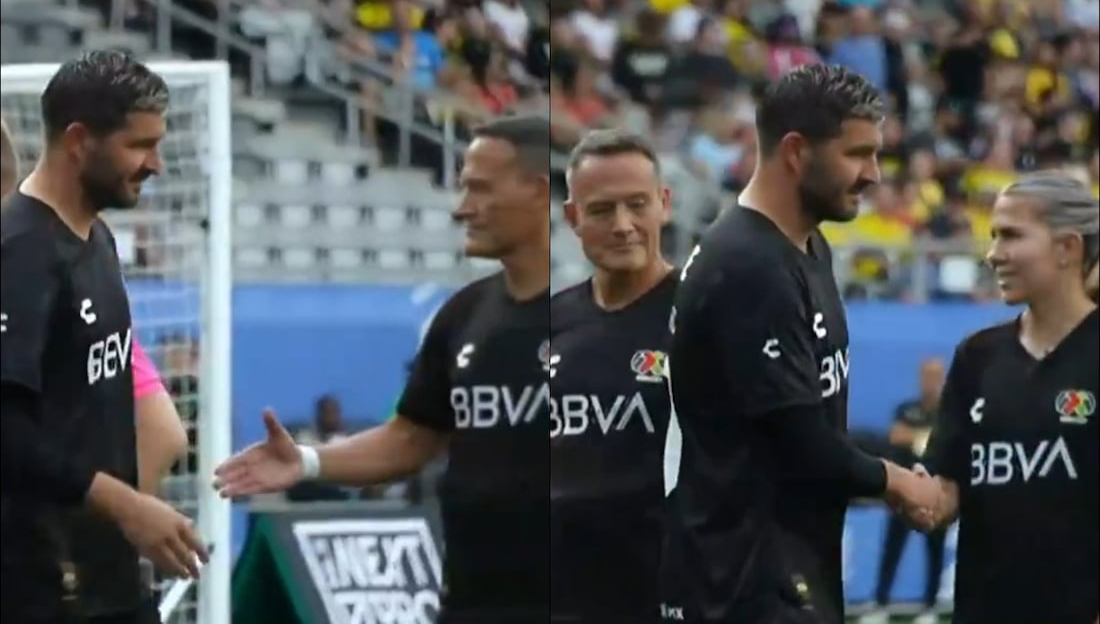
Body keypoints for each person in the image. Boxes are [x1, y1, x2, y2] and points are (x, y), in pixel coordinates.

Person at [214, 115, 552, 624]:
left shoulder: (602, 320)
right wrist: (307, 462)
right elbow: (410, 438)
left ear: (538, 191)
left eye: (481, 189)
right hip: (474, 602)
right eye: (464, 189)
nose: (462, 208)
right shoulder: (463, 316)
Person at [659, 64, 941, 624]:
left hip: (792, 569)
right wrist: (896, 481)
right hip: (743, 586)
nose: (873, 175)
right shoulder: (749, 267)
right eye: (857, 154)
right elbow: (798, 441)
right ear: (795, 151)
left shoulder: (806, 248)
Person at [0, 51, 208, 624]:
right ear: (78, 141)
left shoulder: (97, 239)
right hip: (40, 591)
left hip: (109, 582)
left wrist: (128, 515)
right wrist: (127, 505)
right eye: (139, 145)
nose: (156, 165)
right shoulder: (18, 256)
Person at [912, 174, 1099, 624]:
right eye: (994, 235)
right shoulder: (977, 355)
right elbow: (947, 487)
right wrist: (908, 491)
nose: (993, 253)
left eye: (1012, 235)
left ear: (1067, 248)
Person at [550, 129, 675, 623]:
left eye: (637, 205)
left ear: (664, 204)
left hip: (675, 599)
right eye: (602, 210)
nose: (623, 226)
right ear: (573, 218)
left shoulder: (707, 317)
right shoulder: (549, 323)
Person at [860, 358, 948, 624]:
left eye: (935, 377)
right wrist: (925, 436)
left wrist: (917, 436)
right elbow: (896, 435)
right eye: (926, 376)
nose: (929, 382)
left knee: (934, 550)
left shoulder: (947, 411)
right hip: (902, 493)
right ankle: (880, 602)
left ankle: (930, 606)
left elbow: (947, 438)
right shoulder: (907, 409)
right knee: (892, 548)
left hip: (934, 491)